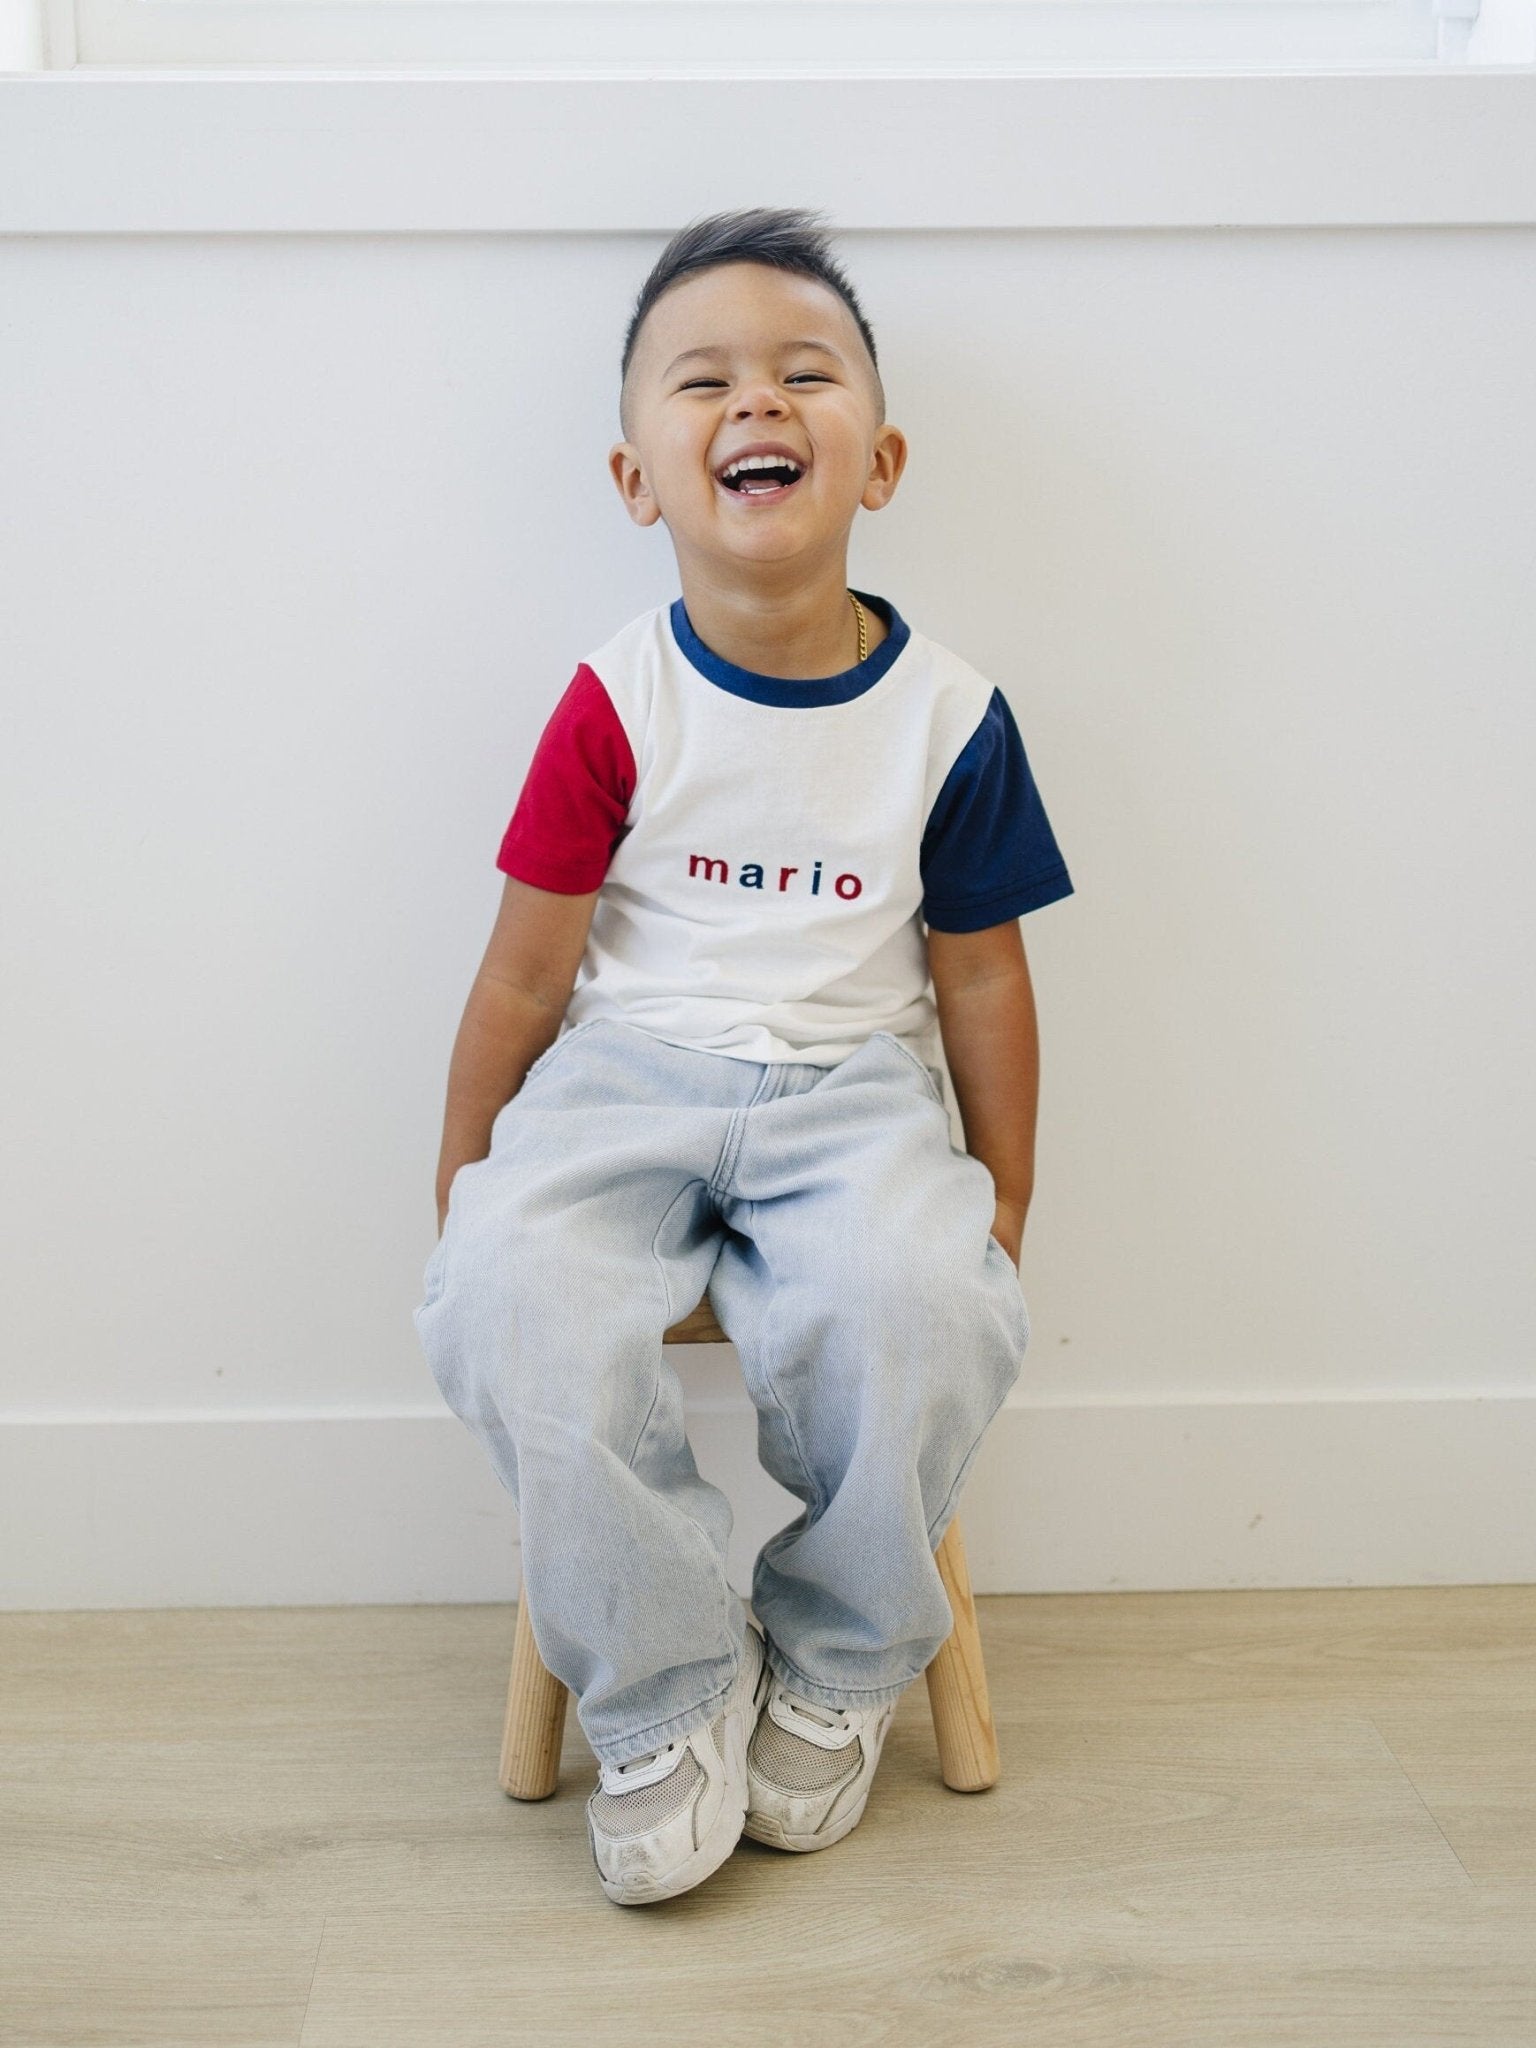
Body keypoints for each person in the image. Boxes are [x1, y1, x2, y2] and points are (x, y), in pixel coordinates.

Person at [413, 205, 1074, 1906]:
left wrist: (999, 1195)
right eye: (701, 381)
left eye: (805, 372)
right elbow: (522, 974)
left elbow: (982, 981)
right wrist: (468, 1182)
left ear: (882, 453)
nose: (758, 403)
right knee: (510, 1295)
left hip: (851, 1093)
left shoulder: (949, 718)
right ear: (639, 476)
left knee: (924, 1300)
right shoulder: (616, 700)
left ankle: (843, 1650)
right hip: (626, 1081)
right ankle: (666, 1682)